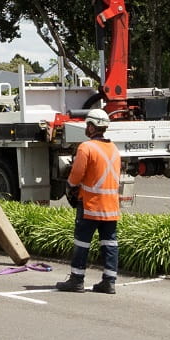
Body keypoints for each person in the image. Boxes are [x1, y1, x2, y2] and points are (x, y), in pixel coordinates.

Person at [56, 107, 120, 294]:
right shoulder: (114, 148)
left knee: (82, 243)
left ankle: (76, 280)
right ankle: (109, 281)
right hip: (111, 206)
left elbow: (76, 176)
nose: (86, 128)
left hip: (90, 204)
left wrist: (70, 186)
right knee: (109, 243)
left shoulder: (86, 147)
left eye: (88, 125)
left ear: (92, 128)